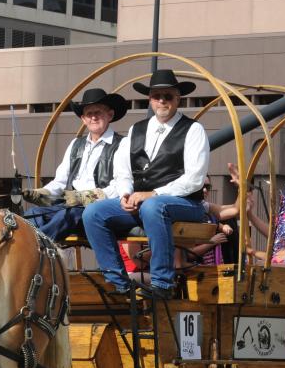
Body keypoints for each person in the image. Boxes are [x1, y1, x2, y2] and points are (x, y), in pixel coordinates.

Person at [82, 69, 210, 299]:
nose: (162, 101)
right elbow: (123, 171)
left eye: (168, 96)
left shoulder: (193, 130)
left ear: (178, 98)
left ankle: (162, 283)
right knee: (93, 213)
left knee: (154, 206)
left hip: (186, 204)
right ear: (150, 99)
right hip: (143, 204)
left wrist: (152, 194)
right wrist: (125, 194)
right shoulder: (136, 130)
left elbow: (194, 179)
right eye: (157, 96)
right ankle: (117, 283)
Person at [22, 87, 128, 241]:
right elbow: (60, 181)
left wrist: (84, 197)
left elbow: (120, 187)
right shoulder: (75, 144)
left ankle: (37, 247)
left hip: (98, 208)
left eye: (98, 112)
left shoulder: (122, 144)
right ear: (83, 119)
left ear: (110, 115)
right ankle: (40, 248)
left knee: (68, 214)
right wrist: (43, 192)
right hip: (70, 205)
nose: (93, 117)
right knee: (32, 213)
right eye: (89, 114)